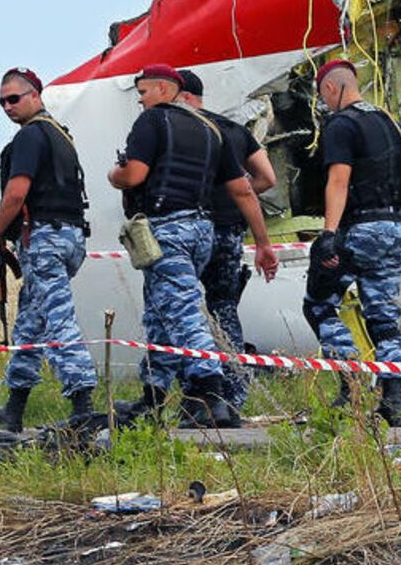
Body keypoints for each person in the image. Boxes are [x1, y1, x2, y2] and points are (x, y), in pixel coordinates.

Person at [107, 63, 278, 428]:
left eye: (143, 92)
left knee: (183, 313)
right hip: (203, 230)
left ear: (166, 90)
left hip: (167, 228)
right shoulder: (211, 129)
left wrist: (113, 174)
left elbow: (134, 175)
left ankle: (212, 395)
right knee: (160, 315)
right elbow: (244, 189)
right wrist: (263, 242)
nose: (140, 100)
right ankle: (151, 398)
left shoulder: (153, 122)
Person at [0, 67, 98, 432]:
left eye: (13, 98)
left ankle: (83, 407)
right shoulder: (60, 135)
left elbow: (17, 192)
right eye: (1, 101)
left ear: (36, 95)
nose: (6, 107)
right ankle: (14, 408)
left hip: (44, 239)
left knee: (57, 320)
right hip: (69, 236)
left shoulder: (31, 137)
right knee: (31, 322)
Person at [303, 59, 401, 426]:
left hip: (360, 230)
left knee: (318, 303)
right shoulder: (389, 123)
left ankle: (349, 383)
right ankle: (393, 399)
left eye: (323, 96)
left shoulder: (341, 124)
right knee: (383, 317)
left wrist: (329, 235)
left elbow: (339, 180)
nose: (324, 103)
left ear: (332, 89)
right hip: (396, 228)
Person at [177, 69, 277, 414]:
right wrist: (235, 195)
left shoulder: (181, 128)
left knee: (184, 311)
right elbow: (267, 178)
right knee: (224, 309)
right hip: (230, 232)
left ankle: (197, 394)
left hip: (191, 230)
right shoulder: (235, 130)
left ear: (183, 95)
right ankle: (234, 394)